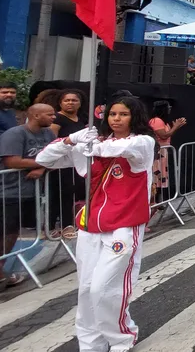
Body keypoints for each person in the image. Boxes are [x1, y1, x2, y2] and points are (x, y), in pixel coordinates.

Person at [34, 95, 157, 350]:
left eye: (123, 114)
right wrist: (70, 140)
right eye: (113, 114)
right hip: (90, 226)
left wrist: (89, 145)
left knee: (105, 287)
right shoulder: (94, 144)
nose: (117, 119)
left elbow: (119, 149)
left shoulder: (143, 143)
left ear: (134, 117)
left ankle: (121, 338)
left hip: (124, 224)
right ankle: (91, 344)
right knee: (87, 289)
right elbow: (44, 160)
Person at [0, 103, 55, 293]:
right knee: (2, 232)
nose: (53, 117)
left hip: (25, 190)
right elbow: (11, 160)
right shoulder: (15, 134)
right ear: (35, 115)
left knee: (13, 231)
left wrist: (42, 167)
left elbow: (55, 157)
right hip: (1, 190)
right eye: (49, 114)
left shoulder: (48, 134)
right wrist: (42, 163)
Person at [48, 90, 87, 239]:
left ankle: (69, 224)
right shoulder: (57, 118)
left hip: (75, 162)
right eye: (67, 100)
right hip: (60, 163)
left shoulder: (81, 118)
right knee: (59, 194)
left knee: (71, 193)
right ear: (60, 103)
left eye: (74, 100)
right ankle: (54, 226)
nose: (70, 103)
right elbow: (52, 140)